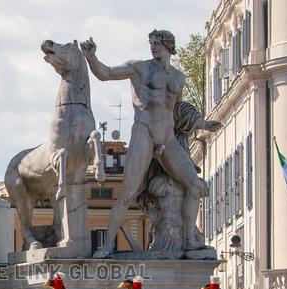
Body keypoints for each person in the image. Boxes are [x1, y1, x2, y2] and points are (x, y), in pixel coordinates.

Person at [82, 30, 209, 258]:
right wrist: (92, 58)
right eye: (151, 43)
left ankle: (189, 239)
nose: (153, 47)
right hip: (144, 132)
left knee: (196, 186)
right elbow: (106, 73)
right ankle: (108, 244)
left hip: (167, 139)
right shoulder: (140, 67)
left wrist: (201, 122)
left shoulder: (178, 78)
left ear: (168, 45)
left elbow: (176, 110)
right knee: (128, 193)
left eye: (157, 43)